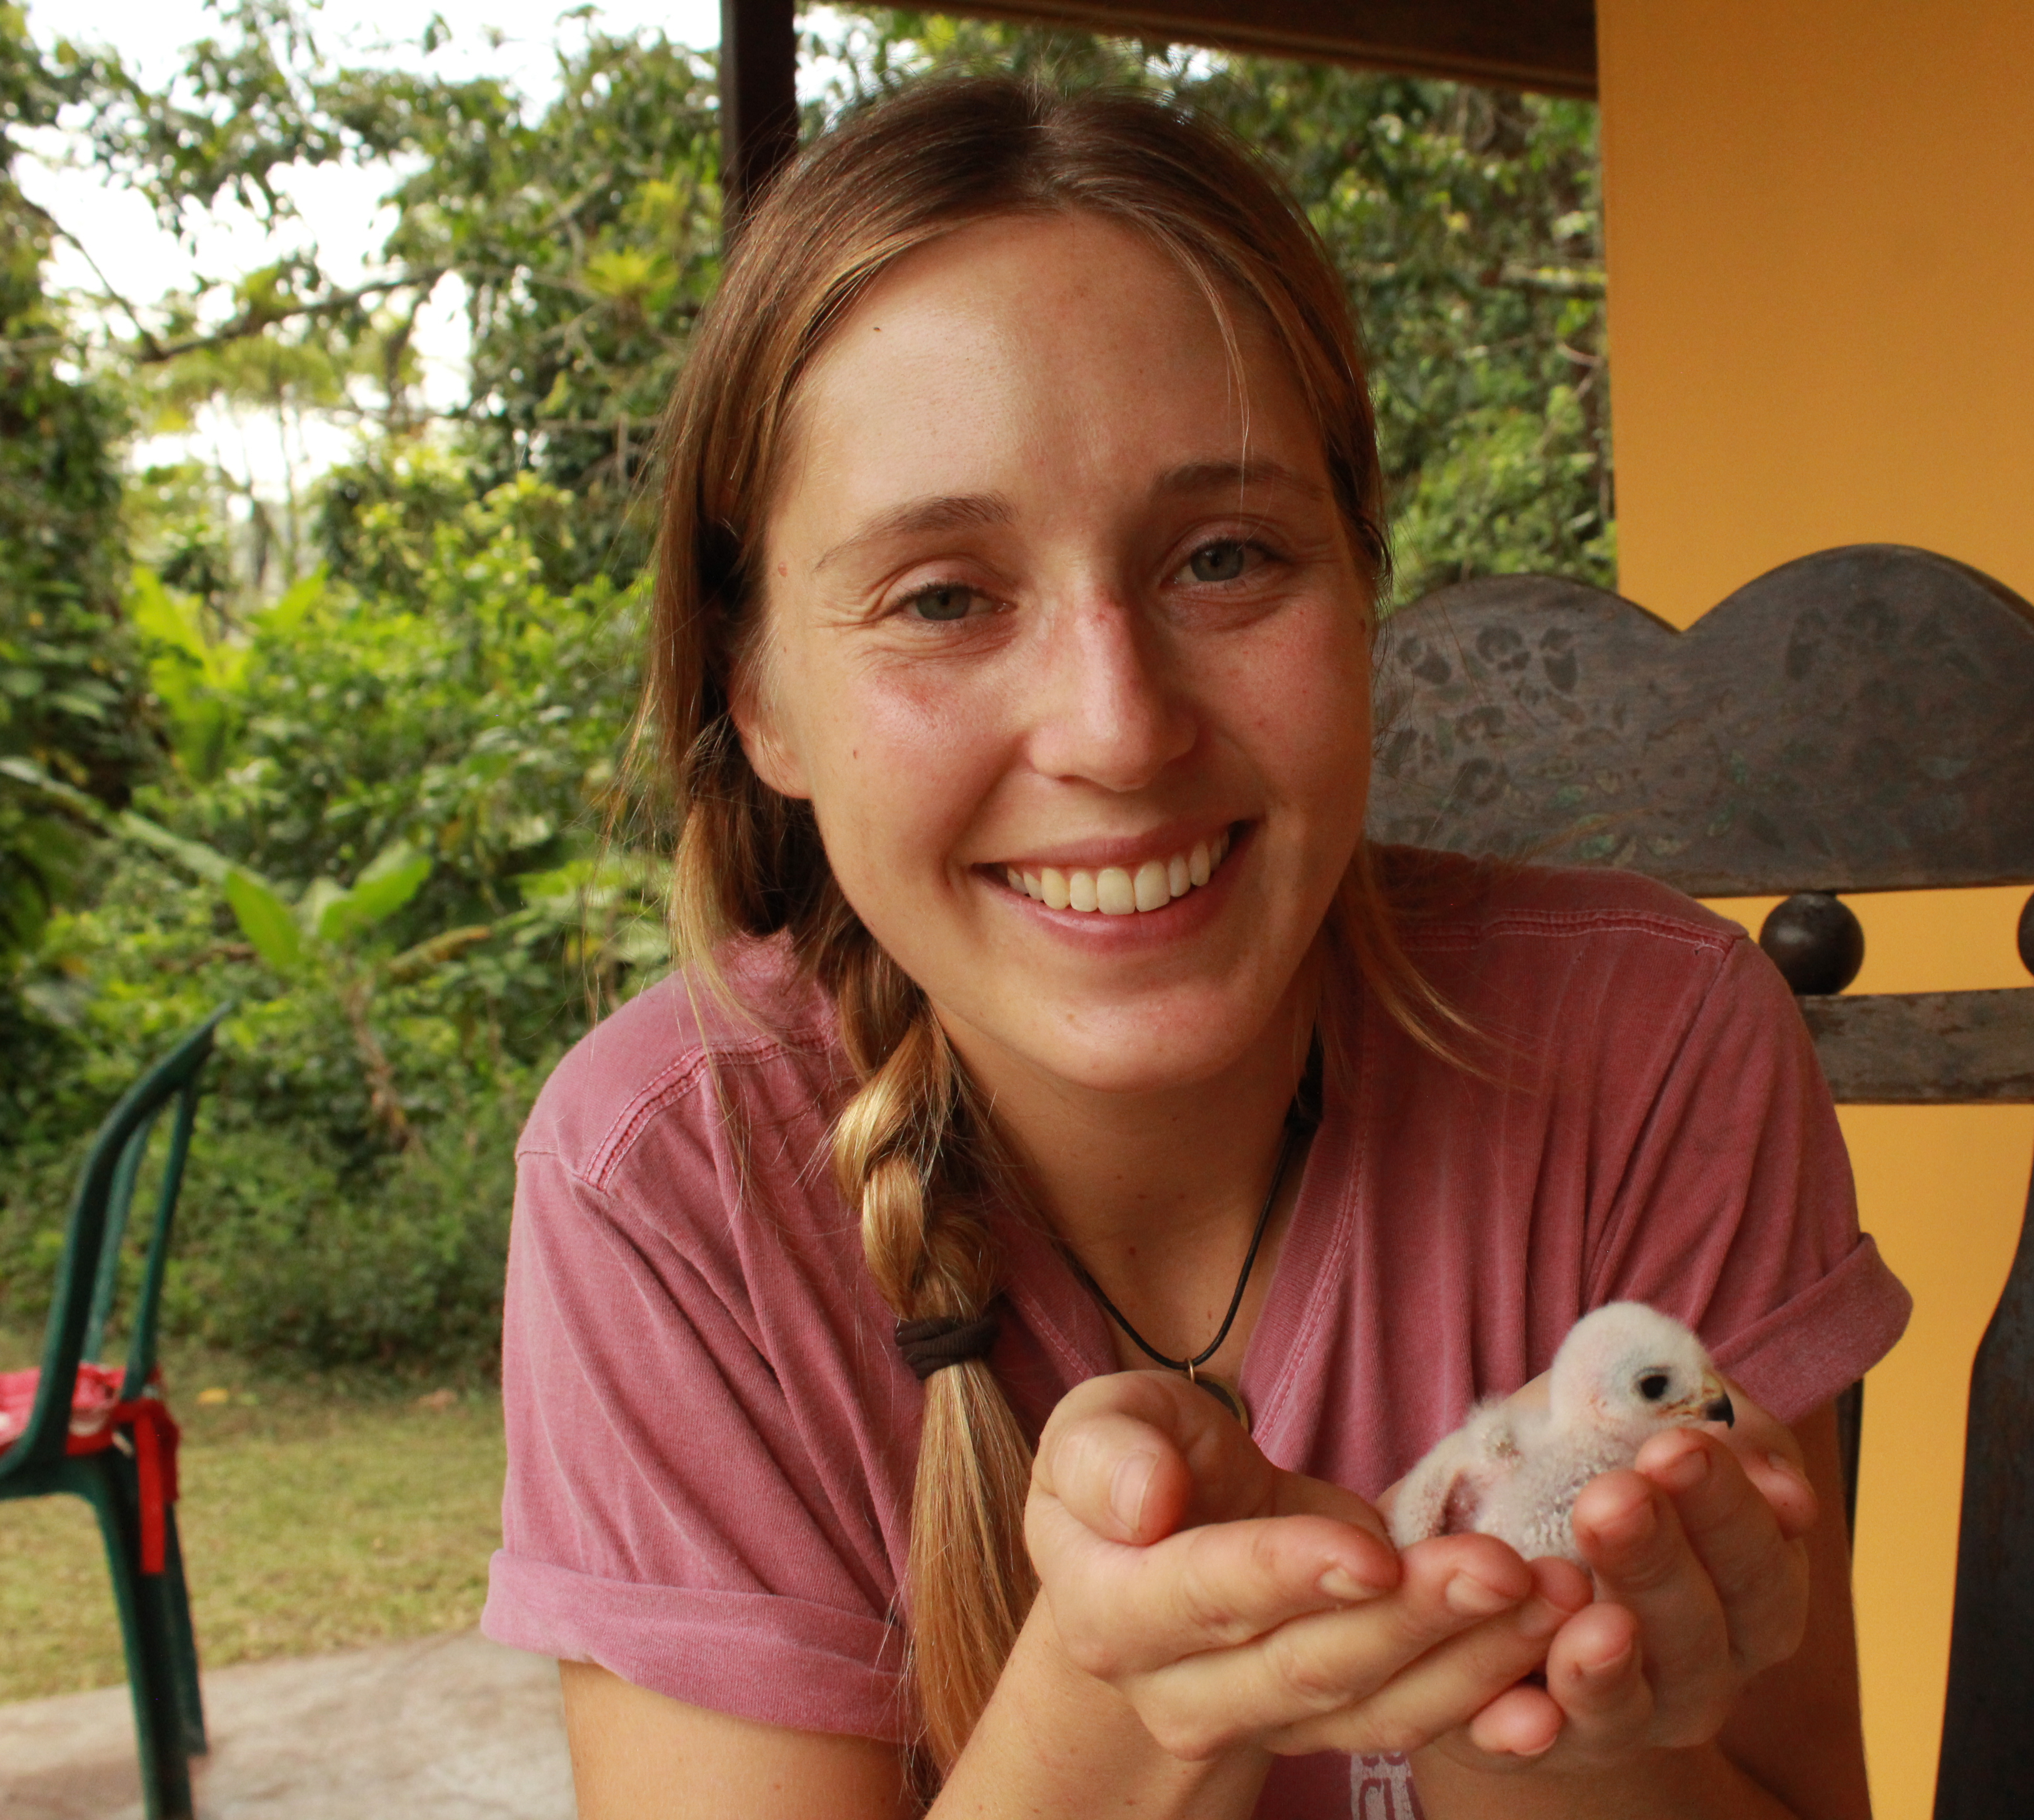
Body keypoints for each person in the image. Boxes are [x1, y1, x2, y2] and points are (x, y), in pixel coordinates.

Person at [482, 75, 1910, 1820]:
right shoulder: (669, 1186)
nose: (1118, 727)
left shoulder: (1656, 1045)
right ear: (756, 692)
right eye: (943, 595)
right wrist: (1126, 1717)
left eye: (1225, 557)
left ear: (1362, 586)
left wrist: (1523, 1710)